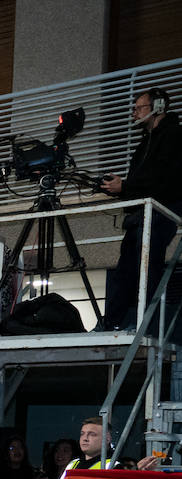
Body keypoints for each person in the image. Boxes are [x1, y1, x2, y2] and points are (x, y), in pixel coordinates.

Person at [100, 88, 182, 332]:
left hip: (163, 209)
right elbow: (141, 180)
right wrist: (118, 187)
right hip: (143, 214)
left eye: (139, 108)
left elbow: (166, 179)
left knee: (148, 265)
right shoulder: (144, 142)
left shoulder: (175, 135)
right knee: (125, 267)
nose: (134, 113)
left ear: (157, 107)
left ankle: (146, 322)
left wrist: (125, 185)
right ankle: (112, 322)